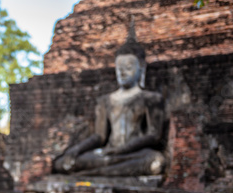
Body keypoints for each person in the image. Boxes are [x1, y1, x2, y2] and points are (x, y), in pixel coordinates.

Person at [53, 22, 166, 176]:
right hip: (107, 153)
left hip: (133, 153)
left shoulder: (151, 98)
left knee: (156, 161)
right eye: (119, 68)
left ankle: (93, 173)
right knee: (63, 163)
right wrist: (76, 149)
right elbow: (100, 136)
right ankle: (104, 171)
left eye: (128, 68)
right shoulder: (105, 101)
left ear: (141, 68)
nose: (122, 73)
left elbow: (154, 135)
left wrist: (123, 149)